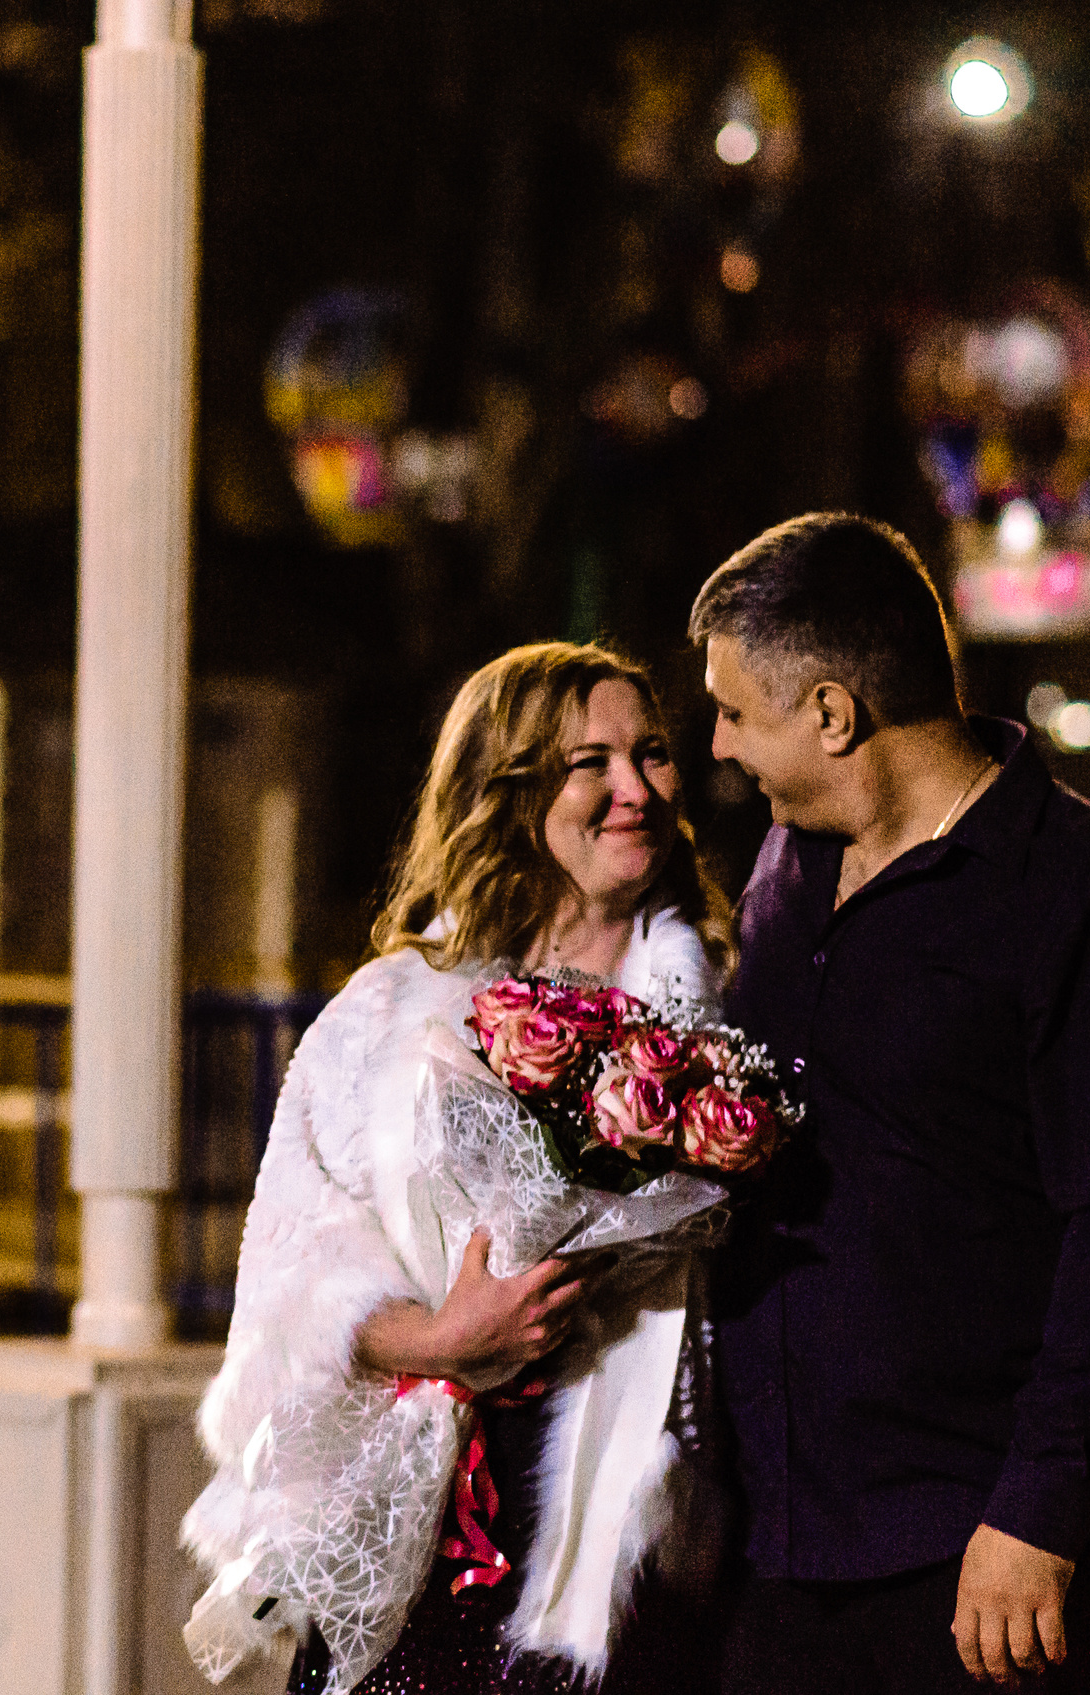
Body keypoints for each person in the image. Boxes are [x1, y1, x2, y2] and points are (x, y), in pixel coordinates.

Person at [692, 514, 1090, 1694]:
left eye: (733, 711)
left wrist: (1036, 1507)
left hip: (976, 1558)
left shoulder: (1089, 898)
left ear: (832, 712)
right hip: (777, 1547)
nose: (717, 746)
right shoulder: (787, 866)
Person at [183, 641, 731, 1695]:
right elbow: (291, 1278)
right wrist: (442, 1337)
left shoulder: (725, 997)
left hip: (637, 1516)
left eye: (652, 753)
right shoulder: (386, 1013)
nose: (634, 789)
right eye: (590, 763)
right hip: (441, 1515)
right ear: (507, 789)